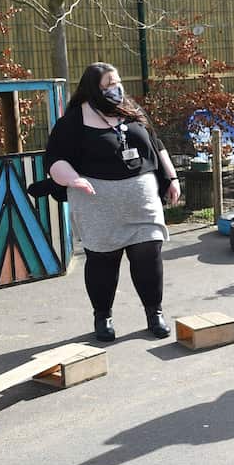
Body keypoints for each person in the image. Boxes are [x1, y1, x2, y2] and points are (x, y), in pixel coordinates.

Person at [44, 63, 180, 342]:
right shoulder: (73, 122)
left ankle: (154, 313)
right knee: (103, 261)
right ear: (93, 88)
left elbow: (156, 144)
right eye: (108, 86)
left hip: (141, 201)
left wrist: (172, 177)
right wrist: (72, 180)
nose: (115, 90)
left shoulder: (131, 110)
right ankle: (102, 315)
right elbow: (55, 159)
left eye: (117, 83)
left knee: (148, 253)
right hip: (98, 205)